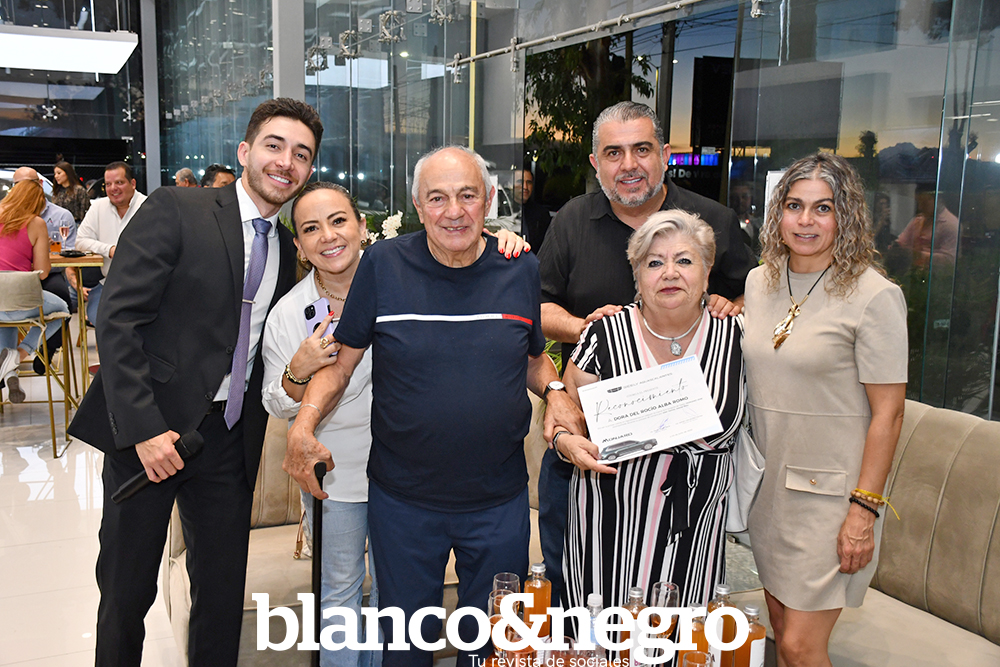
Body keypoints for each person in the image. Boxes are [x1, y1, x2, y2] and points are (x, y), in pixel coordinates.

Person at [284, 146, 583, 667]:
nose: (454, 211)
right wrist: (303, 425)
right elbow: (341, 364)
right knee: (405, 644)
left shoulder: (519, 268)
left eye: (467, 196)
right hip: (404, 502)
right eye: (438, 198)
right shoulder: (383, 265)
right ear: (418, 207)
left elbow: (532, 358)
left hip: (498, 501)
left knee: (493, 646)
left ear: (489, 200)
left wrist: (556, 392)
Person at [67, 98, 324, 666]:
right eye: (275, 146)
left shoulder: (288, 247)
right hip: (150, 432)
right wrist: (144, 430)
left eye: (302, 154)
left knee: (221, 598)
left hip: (227, 442)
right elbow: (118, 319)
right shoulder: (177, 208)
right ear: (245, 151)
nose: (286, 161)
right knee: (126, 594)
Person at [536, 100, 756, 603]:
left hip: (691, 494)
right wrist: (585, 328)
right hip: (595, 464)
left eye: (642, 149)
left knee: (677, 615)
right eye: (614, 153)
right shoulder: (572, 220)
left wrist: (731, 304)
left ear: (665, 154)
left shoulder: (713, 219)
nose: (629, 164)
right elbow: (535, 307)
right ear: (596, 163)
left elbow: (756, 293)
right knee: (573, 594)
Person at [743, 153, 907, 666]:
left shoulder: (875, 296)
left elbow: (889, 414)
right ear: (778, 213)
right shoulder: (758, 282)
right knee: (780, 632)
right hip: (767, 491)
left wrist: (864, 509)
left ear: (846, 216)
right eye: (794, 206)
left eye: (823, 208)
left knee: (799, 646)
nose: (805, 221)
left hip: (831, 500)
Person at [555, 209, 744, 623]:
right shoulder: (604, 334)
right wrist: (565, 441)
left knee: (682, 638)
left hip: (696, 532)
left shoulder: (738, 337)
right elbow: (566, 415)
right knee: (604, 638)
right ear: (637, 276)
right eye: (655, 263)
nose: (669, 272)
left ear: (707, 273)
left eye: (684, 260)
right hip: (607, 528)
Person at [0, 180, 70, 403]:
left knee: (5, 322)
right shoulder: (36, 223)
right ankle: (19, 355)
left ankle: (10, 373)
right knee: (63, 309)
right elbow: (42, 272)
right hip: (19, 298)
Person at [11, 167, 74, 372]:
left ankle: (46, 350)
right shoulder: (13, 217)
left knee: (62, 298)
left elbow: (68, 250)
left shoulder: (61, 215)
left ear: (39, 185)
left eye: (25, 185)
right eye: (16, 185)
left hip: (46, 273)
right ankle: (16, 357)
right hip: (20, 276)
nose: (20, 190)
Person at [74, 161, 148, 327]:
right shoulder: (98, 207)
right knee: (100, 319)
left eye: (119, 182)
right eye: (108, 184)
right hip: (109, 285)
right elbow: (80, 241)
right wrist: (110, 250)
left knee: (136, 324)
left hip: (143, 285)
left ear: (133, 183)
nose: (113, 188)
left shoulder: (148, 207)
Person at [513, 168, 551, 247]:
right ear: (511, 184)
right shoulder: (502, 211)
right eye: (520, 182)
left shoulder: (541, 214)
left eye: (529, 182)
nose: (525, 187)